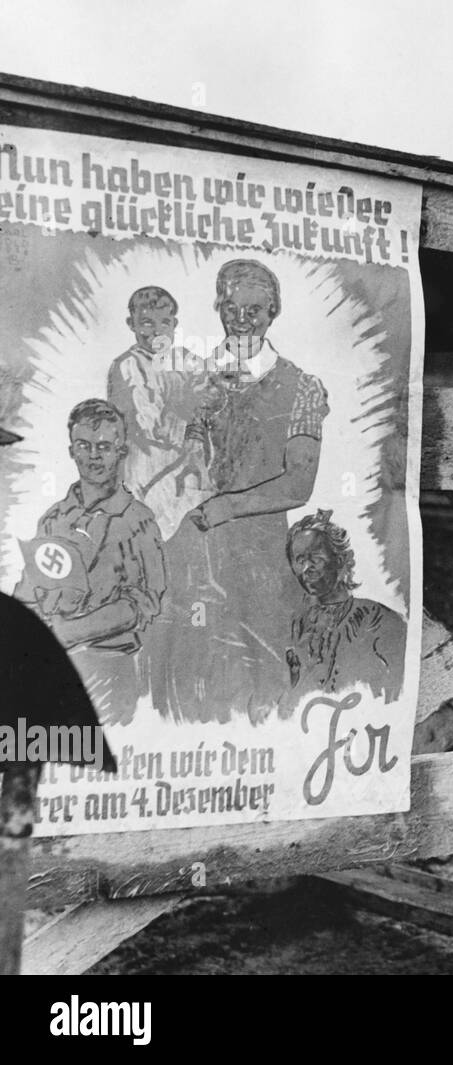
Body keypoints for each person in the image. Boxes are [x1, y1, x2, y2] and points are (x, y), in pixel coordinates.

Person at [153, 259, 329, 723]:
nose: (244, 320)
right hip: (195, 548)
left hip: (263, 556)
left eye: (256, 310)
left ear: (274, 311)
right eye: (233, 309)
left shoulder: (301, 387)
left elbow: (299, 483)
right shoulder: (194, 379)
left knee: (264, 673)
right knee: (187, 661)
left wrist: (227, 507)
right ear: (218, 309)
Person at [13, 399, 165, 724]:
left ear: (121, 452)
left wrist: (70, 632)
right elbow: (28, 594)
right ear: (71, 451)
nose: (93, 456)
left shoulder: (138, 520)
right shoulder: (53, 519)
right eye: (84, 445)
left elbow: (143, 602)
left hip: (109, 666)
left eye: (104, 447)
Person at [106, 285, 209, 539]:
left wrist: (196, 424)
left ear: (175, 324)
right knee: (151, 528)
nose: (157, 331)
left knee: (194, 521)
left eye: (165, 322)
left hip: (186, 458)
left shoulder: (187, 360)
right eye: (147, 323)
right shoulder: (129, 365)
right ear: (132, 324)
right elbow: (144, 421)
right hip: (145, 462)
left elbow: (207, 397)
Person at [281, 509, 407, 710]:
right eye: (300, 560)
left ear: (339, 560)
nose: (307, 568)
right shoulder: (296, 625)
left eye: (315, 558)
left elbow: (397, 692)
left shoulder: (377, 618)